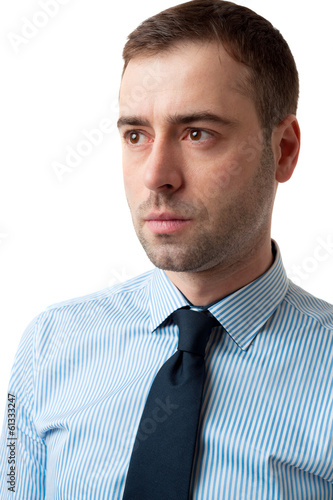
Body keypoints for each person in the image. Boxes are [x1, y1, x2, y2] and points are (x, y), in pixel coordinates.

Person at [1, 0, 332, 498]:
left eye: (198, 134)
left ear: (283, 149)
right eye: (136, 134)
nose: (156, 176)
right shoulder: (50, 346)